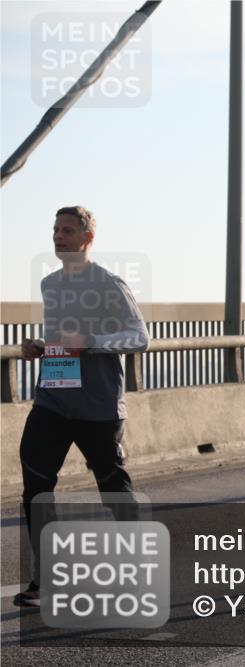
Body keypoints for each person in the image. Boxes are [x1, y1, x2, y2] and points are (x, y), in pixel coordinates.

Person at [14, 206, 150, 607]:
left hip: (98, 404)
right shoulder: (49, 284)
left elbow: (139, 337)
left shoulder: (109, 284)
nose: (58, 237)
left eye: (67, 230)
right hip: (53, 398)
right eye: (55, 229)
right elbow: (61, 335)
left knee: (113, 488)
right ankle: (44, 580)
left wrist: (91, 342)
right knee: (36, 486)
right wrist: (39, 346)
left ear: (87, 239)